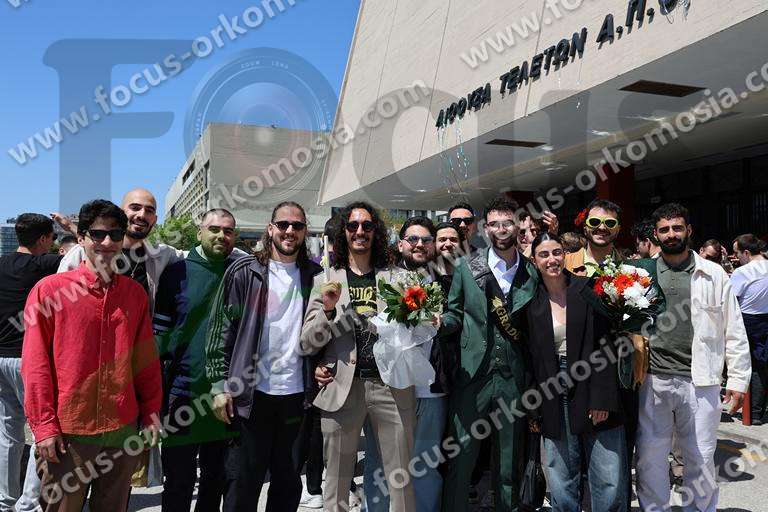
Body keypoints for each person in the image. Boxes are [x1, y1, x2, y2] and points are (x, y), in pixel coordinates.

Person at [22, 199, 163, 511]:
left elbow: (145, 363)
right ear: (81, 237)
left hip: (122, 429)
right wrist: (44, 427)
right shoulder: (49, 291)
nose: (107, 242)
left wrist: (152, 413)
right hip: (69, 432)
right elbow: (35, 365)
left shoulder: (135, 294)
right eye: (98, 234)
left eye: (115, 234)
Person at [205, 201, 322, 512]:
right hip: (250, 397)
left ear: (305, 232)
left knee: (287, 485)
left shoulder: (316, 276)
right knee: (242, 484)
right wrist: (218, 385)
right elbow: (221, 330)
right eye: (283, 224)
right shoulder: (245, 271)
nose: (289, 231)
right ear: (270, 229)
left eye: (297, 226)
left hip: (297, 397)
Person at [300, 201, 416, 512]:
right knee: (336, 483)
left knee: (401, 481)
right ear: (344, 232)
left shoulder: (399, 278)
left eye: (367, 225)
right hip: (342, 389)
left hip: (390, 388)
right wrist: (327, 310)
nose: (360, 231)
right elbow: (308, 342)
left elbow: (415, 331)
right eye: (353, 225)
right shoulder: (325, 279)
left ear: (376, 231)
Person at [635, 203, 751, 512]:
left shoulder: (713, 274)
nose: (671, 234)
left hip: (700, 380)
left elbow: (734, 329)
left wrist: (738, 380)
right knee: (650, 456)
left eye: (677, 228)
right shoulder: (642, 273)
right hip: (653, 378)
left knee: (700, 456)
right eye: (664, 230)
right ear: (655, 235)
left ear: (689, 230)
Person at [439, 196, 538, 512]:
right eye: (494, 223)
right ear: (485, 229)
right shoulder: (467, 266)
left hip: (513, 375)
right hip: (472, 373)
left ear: (518, 226)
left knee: (509, 459)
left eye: (507, 223)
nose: (501, 229)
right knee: (461, 455)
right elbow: (455, 313)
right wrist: (439, 322)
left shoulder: (532, 271)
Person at [525, 233, 627, 511]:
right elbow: (529, 358)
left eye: (557, 252)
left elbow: (606, 344)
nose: (552, 259)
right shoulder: (531, 300)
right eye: (544, 254)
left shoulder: (587, 289)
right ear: (534, 261)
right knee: (560, 474)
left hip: (592, 383)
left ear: (565, 255)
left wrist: (602, 398)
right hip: (551, 389)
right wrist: (533, 408)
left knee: (607, 473)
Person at [153, 209, 243, 511]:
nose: (221, 236)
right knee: (178, 480)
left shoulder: (240, 273)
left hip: (227, 394)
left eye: (228, 231)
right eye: (214, 229)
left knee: (215, 479)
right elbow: (159, 338)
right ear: (200, 232)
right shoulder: (176, 273)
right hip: (182, 392)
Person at [364, 217, 451, 512]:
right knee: (381, 461)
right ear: (400, 244)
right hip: (389, 386)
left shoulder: (447, 279)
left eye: (426, 240)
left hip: (431, 389)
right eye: (413, 239)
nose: (419, 245)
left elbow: (458, 318)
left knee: (425, 462)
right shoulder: (381, 279)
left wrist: (443, 320)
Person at [0, 214, 60, 512]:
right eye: (52, 238)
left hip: (0, 358)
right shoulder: (44, 264)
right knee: (42, 430)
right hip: (28, 359)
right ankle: (29, 503)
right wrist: (72, 227)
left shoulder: (1, 263)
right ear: (43, 239)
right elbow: (86, 251)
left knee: (8, 433)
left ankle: (5, 500)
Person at [56, 188, 184, 314]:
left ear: (154, 220)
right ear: (121, 213)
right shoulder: (81, 253)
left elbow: (194, 256)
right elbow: (57, 300)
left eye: (149, 211)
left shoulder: (162, 254)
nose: (142, 215)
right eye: (135, 208)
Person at [730, 234, 768, 424]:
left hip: (747, 320)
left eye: (737, 253)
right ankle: (757, 412)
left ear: (746, 252)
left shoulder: (743, 272)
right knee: (762, 365)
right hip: (764, 317)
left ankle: (751, 412)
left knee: (746, 364)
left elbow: (729, 299)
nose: (736, 258)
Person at [565, 199, 622, 276]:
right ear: (585, 228)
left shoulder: (629, 267)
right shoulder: (565, 263)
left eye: (610, 223)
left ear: (617, 230)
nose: (602, 228)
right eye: (594, 222)